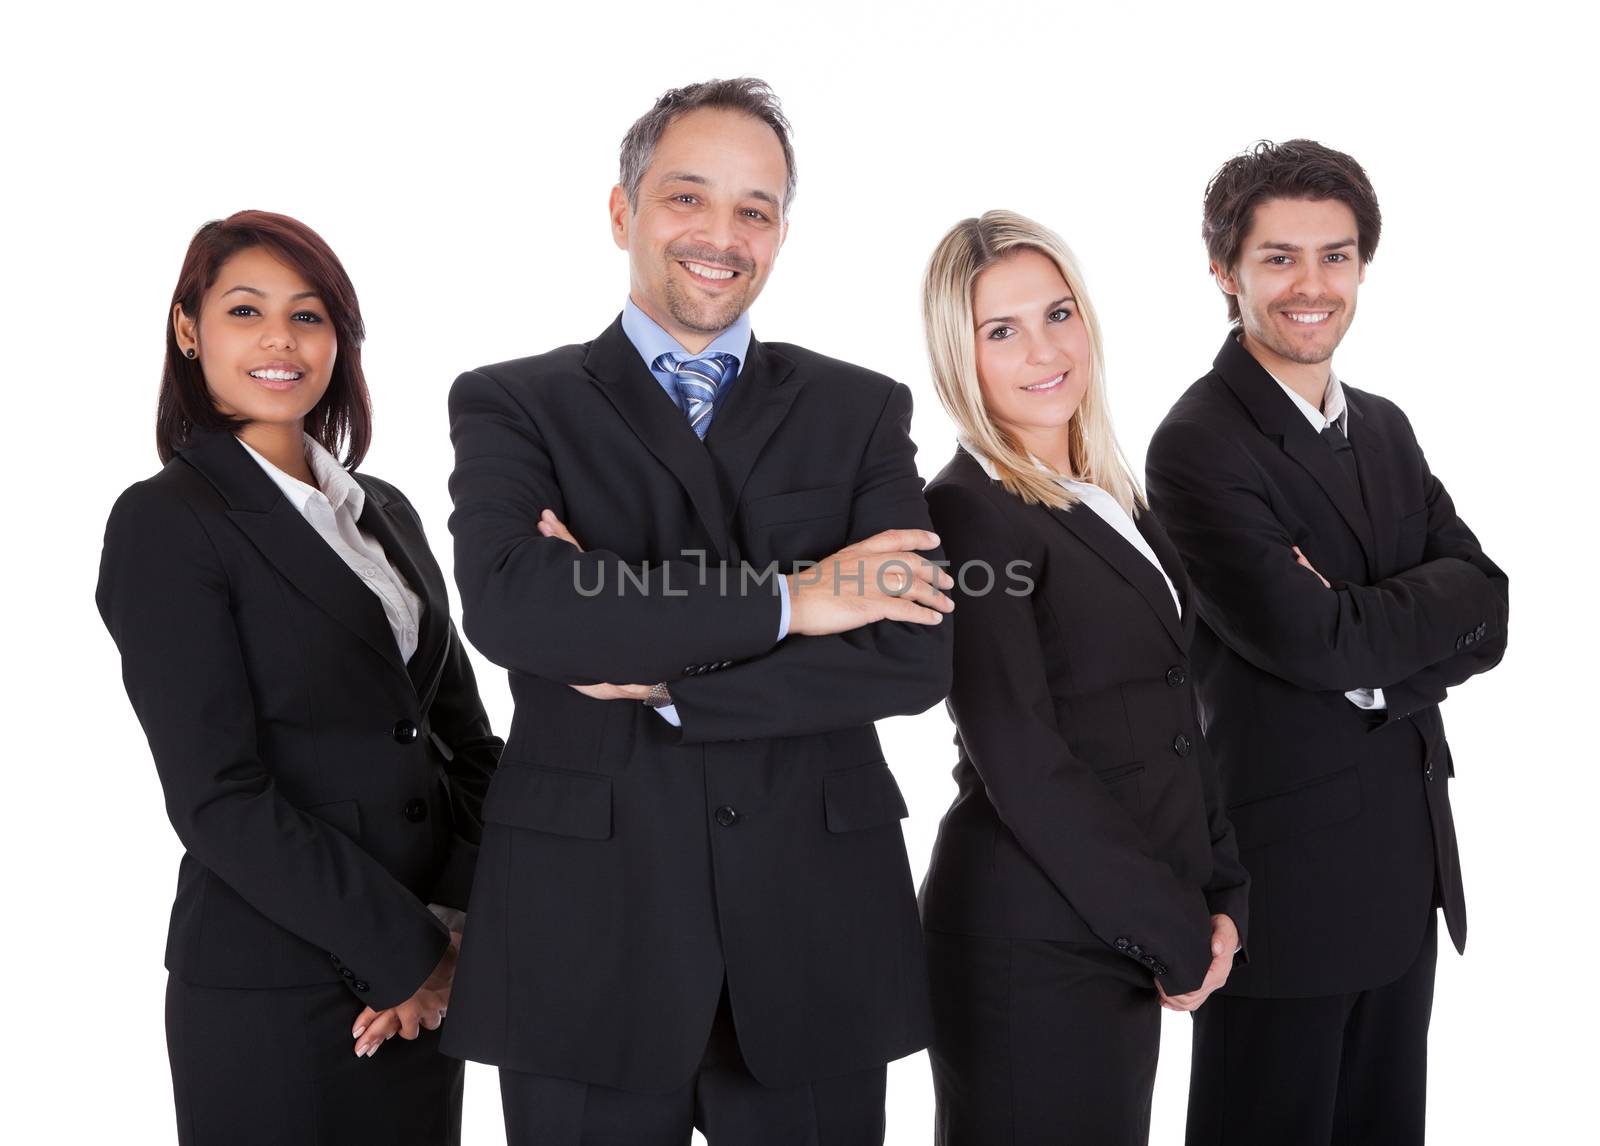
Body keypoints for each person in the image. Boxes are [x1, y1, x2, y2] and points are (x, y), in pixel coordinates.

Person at [440, 78, 954, 1145]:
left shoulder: (858, 410)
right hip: (588, 939)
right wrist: (798, 600)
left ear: (780, 234)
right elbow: (517, 609)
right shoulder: (512, 402)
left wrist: (662, 670)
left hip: (813, 933)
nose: (722, 235)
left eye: (755, 210)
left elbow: (912, 658)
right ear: (623, 211)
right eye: (688, 199)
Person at [95, 210, 502, 1146]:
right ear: (189, 328)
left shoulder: (383, 510)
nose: (281, 340)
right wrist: (405, 955)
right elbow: (218, 795)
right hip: (277, 989)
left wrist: (455, 924)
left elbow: (463, 737)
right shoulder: (167, 522)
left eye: (309, 315)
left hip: (428, 987)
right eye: (246, 311)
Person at [1144, 140, 1510, 1146]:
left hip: (1403, 864)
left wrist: (1369, 650)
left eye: (1335, 256)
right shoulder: (1197, 446)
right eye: (1279, 258)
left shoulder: (1385, 428)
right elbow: (1312, 643)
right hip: (1284, 887)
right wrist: (1390, 628)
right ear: (1224, 272)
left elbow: (1490, 605)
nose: (1312, 286)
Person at [915, 210, 1249, 1145]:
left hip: (1113, 925)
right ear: (960, 356)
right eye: (1001, 330)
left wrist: (1223, 888)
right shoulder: (967, 511)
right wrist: (1173, 931)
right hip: (1032, 940)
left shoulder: (1111, 495)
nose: (1043, 351)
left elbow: (1177, 711)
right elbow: (1022, 756)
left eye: (1058, 313)